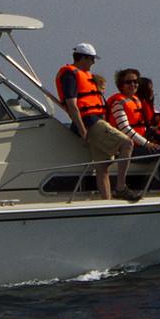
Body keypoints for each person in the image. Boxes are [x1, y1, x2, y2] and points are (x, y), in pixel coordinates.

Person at [57, 43, 138, 201]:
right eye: (92, 59)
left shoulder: (84, 74)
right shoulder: (71, 75)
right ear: (83, 58)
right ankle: (121, 187)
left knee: (102, 167)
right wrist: (82, 130)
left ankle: (106, 202)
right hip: (90, 122)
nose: (93, 63)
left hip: (95, 120)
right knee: (127, 143)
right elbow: (72, 105)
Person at [106, 68, 160, 194]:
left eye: (136, 82)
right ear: (121, 85)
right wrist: (147, 144)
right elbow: (125, 128)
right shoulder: (118, 103)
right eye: (129, 82)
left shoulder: (136, 101)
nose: (133, 85)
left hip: (139, 144)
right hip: (127, 148)